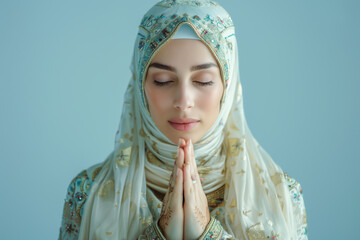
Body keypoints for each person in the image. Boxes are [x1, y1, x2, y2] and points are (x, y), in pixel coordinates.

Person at [59, 0, 308, 239]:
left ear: (228, 87)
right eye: (163, 81)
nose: (183, 100)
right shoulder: (88, 193)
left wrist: (207, 235)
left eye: (203, 81)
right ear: (140, 85)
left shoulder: (281, 196)